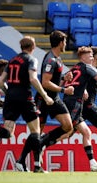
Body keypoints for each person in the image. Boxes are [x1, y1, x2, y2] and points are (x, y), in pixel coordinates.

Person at [0, 36, 54, 173]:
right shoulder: (31, 59)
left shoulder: (12, 61)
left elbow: (1, 82)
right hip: (25, 98)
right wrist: (45, 95)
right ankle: (37, 166)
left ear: (21, 47)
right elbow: (32, 79)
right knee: (35, 131)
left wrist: (9, 94)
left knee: (7, 132)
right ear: (33, 47)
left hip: (11, 99)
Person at [15, 30, 74, 172]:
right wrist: (63, 90)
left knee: (68, 126)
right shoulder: (50, 59)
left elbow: (52, 80)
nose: (65, 44)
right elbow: (45, 82)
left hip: (53, 98)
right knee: (36, 132)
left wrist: (63, 79)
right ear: (60, 43)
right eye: (64, 41)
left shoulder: (57, 59)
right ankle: (26, 162)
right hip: (43, 99)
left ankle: (42, 143)